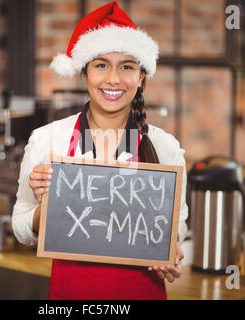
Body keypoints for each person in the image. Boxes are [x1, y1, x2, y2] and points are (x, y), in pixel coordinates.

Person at [12, 1, 188, 300]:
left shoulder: (166, 147)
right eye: (101, 64)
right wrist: (47, 210)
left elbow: (178, 226)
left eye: (127, 66)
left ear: (142, 75)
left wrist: (170, 249)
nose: (113, 79)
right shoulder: (47, 139)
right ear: (85, 73)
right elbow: (20, 227)